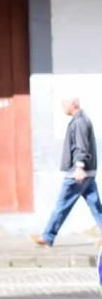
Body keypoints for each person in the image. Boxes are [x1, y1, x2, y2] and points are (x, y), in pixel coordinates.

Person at [31, 97, 102, 246]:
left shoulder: (79, 122)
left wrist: (79, 167)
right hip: (87, 173)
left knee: (62, 205)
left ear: (74, 104)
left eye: (64, 105)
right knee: (95, 206)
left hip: (78, 173)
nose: (63, 108)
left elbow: (81, 147)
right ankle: (47, 236)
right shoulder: (82, 120)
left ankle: (47, 236)